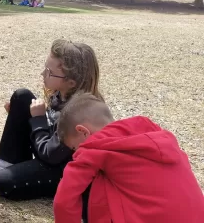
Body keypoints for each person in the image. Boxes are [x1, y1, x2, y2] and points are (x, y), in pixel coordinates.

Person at [0, 39, 102, 220]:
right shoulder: (62, 94)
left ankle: (63, 189)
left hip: (61, 167)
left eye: (49, 72)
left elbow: (50, 155)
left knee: (3, 183)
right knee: (22, 97)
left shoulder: (77, 113)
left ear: (71, 82)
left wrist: (38, 120)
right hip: (52, 149)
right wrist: (20, 118)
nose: (43, 73)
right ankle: (8, 160)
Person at [54, 93, 204, 223]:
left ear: (83, 132)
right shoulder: (152, 134)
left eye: (74, 148)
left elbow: (64, 200)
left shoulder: (93, 148)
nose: (75, 154)